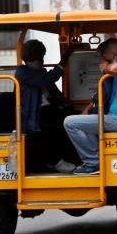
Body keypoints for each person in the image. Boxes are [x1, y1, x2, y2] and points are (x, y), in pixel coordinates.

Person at [64, 39, 117, 175]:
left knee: (70, 122)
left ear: (116, 55)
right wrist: (88, 108)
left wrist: (106, 68)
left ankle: (93, 163)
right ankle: (97, 159)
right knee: (83, 124)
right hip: (112, 117)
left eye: (108, 59)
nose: (106, 62)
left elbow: (114, 68)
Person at [15, 39, 76, 173]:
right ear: (28, 59)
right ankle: (56, 161)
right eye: (36, 58)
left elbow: (53, 91)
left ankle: (66, 159)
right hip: (33, 114)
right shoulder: (22, 73)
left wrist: (67, 103)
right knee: (55, 127)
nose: (40, 61)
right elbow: (47, 80)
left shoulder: (40, 72)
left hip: (47, 110)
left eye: (41, 58)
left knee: (69, 121)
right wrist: (66, 56)